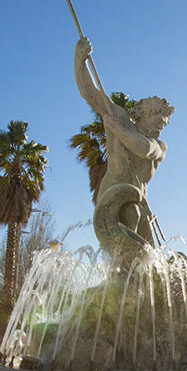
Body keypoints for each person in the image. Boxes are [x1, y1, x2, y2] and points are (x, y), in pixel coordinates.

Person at [74, 37, 173, 250]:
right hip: (114, 192)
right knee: (131, 216)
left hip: (140, 201)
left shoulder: (159, 146)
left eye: (162, 124)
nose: (158, 128)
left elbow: (142, 148)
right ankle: (119, 277)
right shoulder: (117, 116)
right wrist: (80, 60)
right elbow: (90, 94)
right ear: (142, 115)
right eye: (155, 121)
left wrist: (117, 130)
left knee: (151, 257)